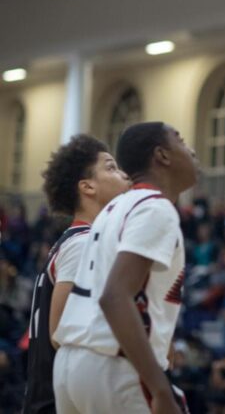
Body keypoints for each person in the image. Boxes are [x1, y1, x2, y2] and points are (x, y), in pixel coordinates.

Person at [52, 122, 198, 414]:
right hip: (112, 362)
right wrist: (160, 388)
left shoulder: (111, 210)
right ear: (162, 156)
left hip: (70, 366)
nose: (191, 150)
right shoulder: (155, 208)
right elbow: (115, 296)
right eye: (181, 141)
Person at [23, 135, 131, 414]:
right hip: (57, 401)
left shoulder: (78, 239)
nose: (123, 175)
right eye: (111, 168)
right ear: (87, 187)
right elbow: (60, 332)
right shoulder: (83, 243)